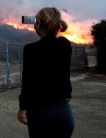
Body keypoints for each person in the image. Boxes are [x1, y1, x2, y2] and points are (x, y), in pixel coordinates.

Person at [17, 7, 75, 137]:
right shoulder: (64, 45)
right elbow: (53, 41)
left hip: (40, 113)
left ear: (40, 24)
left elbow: (28, 82)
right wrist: (41, 21)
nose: (34, 26)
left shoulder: (31, 50)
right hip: (64, 113)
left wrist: (22, 108)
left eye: (36, 22)